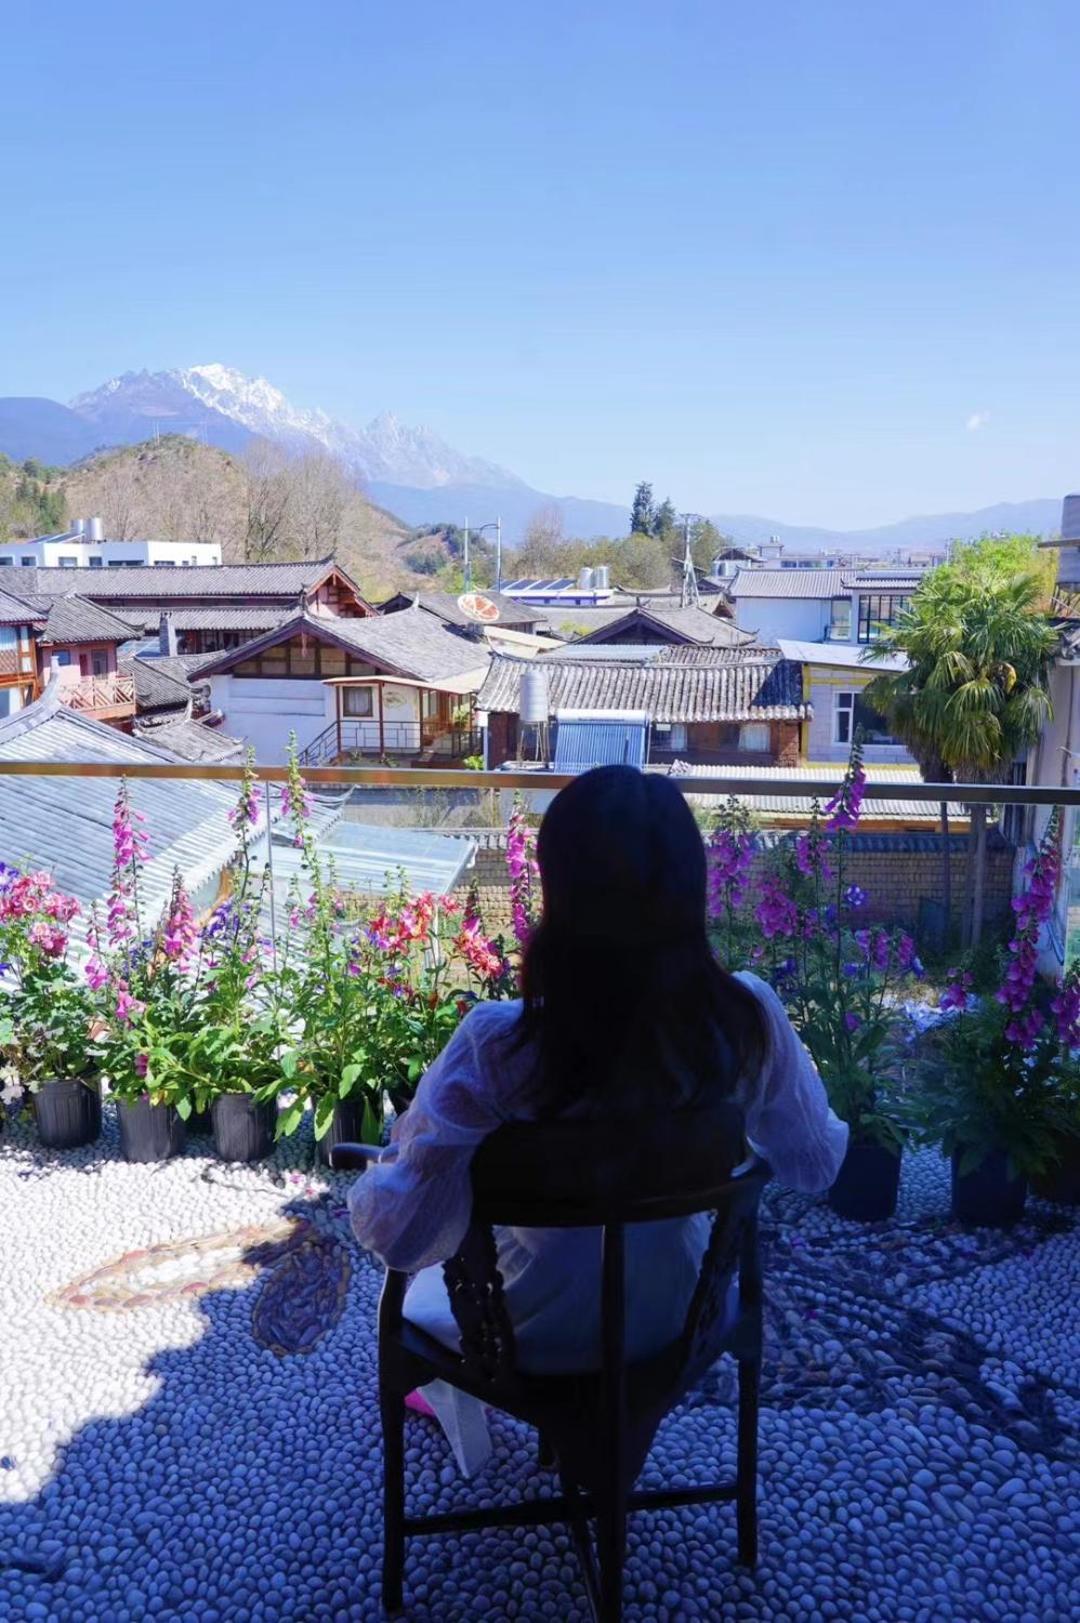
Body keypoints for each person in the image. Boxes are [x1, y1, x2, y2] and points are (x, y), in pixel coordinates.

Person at [349, 765, 848, 1473]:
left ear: (561, 891)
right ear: (690, 888)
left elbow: (402, 1232)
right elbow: (815, 1163)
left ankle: (477, 1413)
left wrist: (384, 1167)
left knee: (426, 1285)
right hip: (677, 1320)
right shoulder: (744, 1022)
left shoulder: (501, 1047)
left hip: (522, 1336)